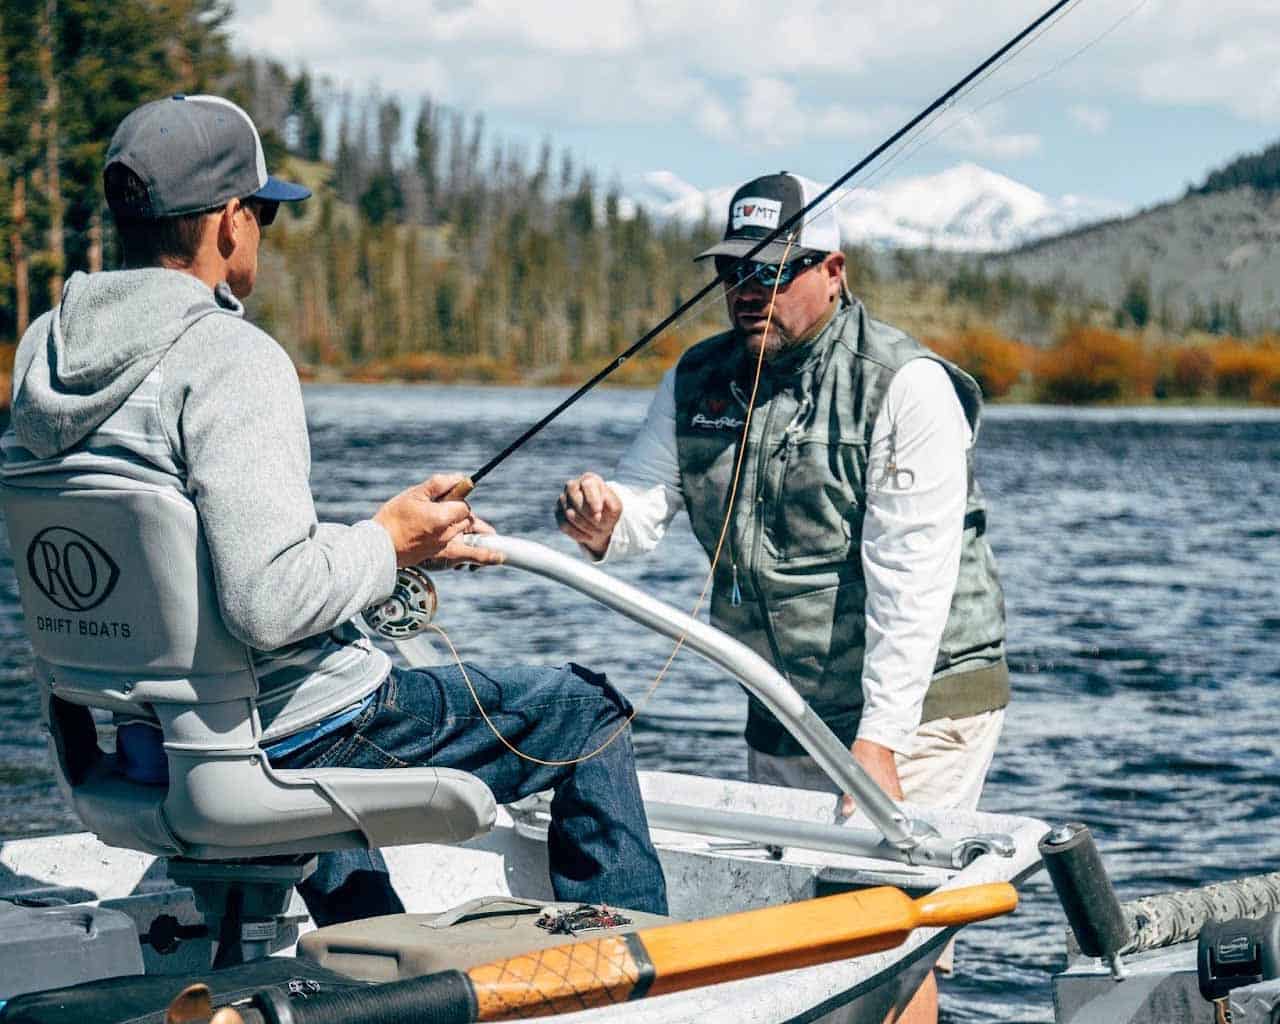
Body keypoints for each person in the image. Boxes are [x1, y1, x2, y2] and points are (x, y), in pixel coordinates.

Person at [1, 94, 667, 924]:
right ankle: (643, 970)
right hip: (271, 735)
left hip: (137, 742)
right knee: (584, 710)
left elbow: (184, 552)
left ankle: (372, 949)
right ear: (231, 222)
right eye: (263, 215)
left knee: (340, 698)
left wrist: (394, 544)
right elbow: (268, 602)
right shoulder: (230, 358)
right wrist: (386, 543)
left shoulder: (45, 357)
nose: (260, 235)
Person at [556, 171, 1007, 1022]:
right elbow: (642, 507)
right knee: (809, 934)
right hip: (786, 701)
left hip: (924, 701)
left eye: (771, 271)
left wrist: (880, 740)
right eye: (733, 271)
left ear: (833, 271)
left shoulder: (905, 384)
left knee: (886, 928)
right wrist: (601, 518)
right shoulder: (698, 378)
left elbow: (913, 581)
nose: (747, 290)